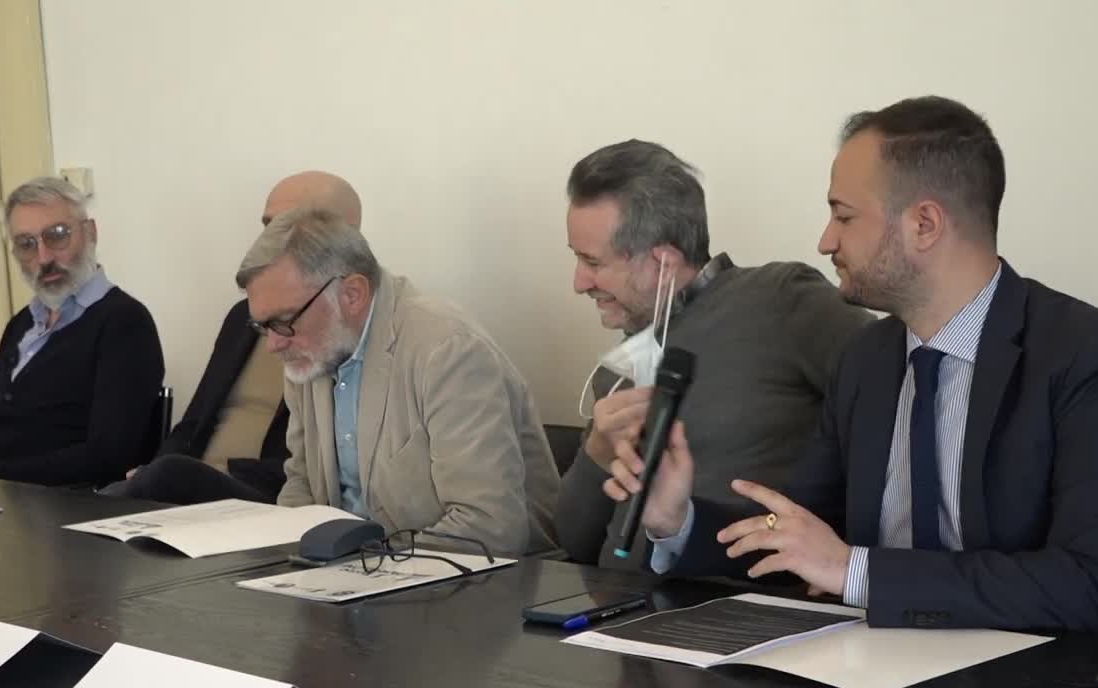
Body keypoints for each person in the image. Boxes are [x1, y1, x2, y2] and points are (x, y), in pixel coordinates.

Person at [607, 96, 1098, 632]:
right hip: (872, 669)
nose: (825, 241)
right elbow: (797, 532)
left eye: (843, 216)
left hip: (1035, 679)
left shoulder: (1096, 360)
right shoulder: (866, 359)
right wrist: (677, 520)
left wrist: (857, 572)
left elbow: (1095, 585)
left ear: (924, 225)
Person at [556, 139, 872, 567]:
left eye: (593, 263)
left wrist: (848, 558)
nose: (578, 283)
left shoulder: (782, 301)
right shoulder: (620, 369)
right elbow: (574, 545)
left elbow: (894, 396)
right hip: (613, 601)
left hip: (733, 595)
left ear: (663, 262)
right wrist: (597, 452)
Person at [238, 206, 559, 555]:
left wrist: (370, 565)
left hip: (478, 575)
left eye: (284, 321)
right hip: (358, 572)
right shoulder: (310, 353)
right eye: (263, 326)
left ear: (352, 294)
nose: (273, 344)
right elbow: (301, 485)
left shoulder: (448, 350)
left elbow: (489, 527)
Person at [101, 171, 362, 503]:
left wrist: (206, 473)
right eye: (268, 226)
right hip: (188, 486)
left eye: (288, 226)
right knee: (112, 497)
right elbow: (193, 422)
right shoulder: (243, 317)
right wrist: (153, 470)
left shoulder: (349, 325)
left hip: (264, 492)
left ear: (344, 236)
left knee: (152, 482)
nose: (269, 239)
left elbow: (324, 463)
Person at [0, 177, 164, 487]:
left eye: (57, 236)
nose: (43, 258)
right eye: (26, 244)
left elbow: (108, 457)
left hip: (62, 503)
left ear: (90, 233)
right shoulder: (24, 322)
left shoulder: (124, 323)